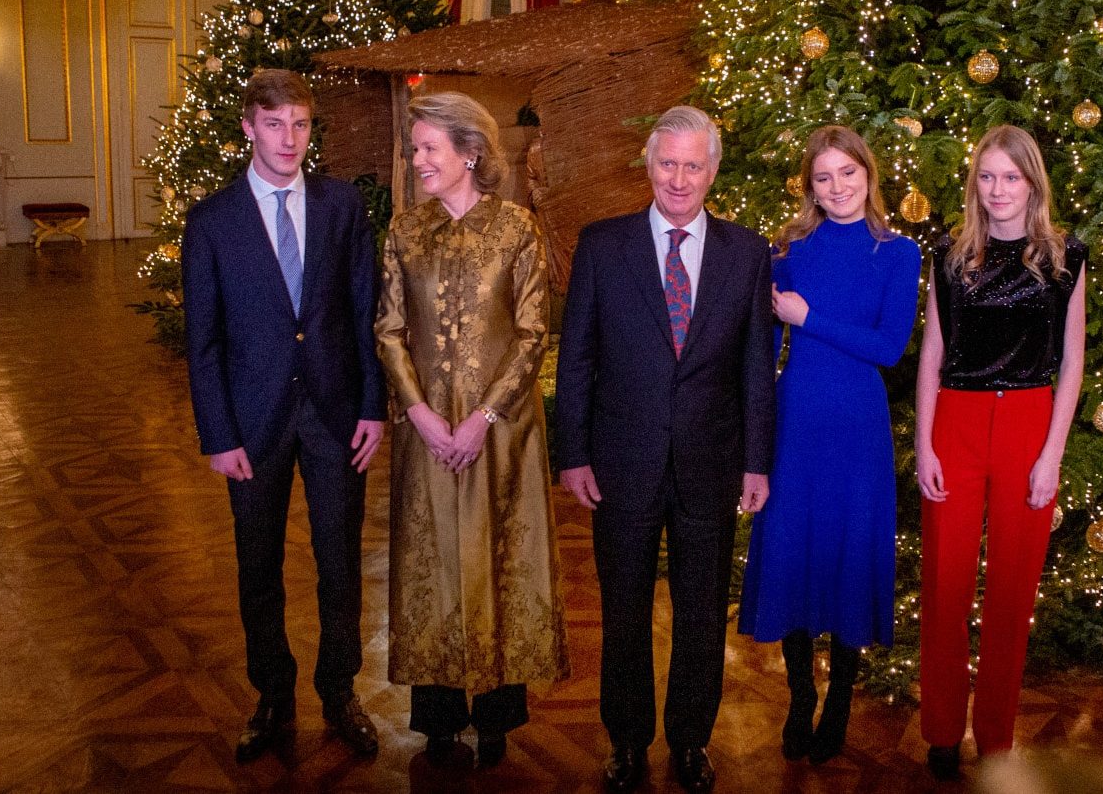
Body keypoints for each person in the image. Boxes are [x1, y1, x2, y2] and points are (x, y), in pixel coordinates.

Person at [555, 104, 775, 794]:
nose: (678, 179)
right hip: (620, 463)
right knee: (621, 610)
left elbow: (753, 369)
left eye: (693, 165)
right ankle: (626, 741)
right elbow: (577, 359)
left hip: (712, 464)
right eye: (666, 163)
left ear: (712, 171)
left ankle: (689, 740)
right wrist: (573, 452)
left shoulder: (748, 252)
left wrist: (757, 461)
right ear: (648, 166)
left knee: (702, 613)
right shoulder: (601, 245)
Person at [181, 69, 386, 762]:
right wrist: (217, 434)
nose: (289, 138)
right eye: (274, 124)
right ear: (247, 126)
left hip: (335, 416)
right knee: (257, 565)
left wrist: (372, 407)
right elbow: (202, 339)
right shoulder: (211, 221)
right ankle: (272, 694)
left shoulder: (341, 206)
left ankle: (340, 690)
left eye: (299, 123)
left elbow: (365, 311)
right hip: (252, 424)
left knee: (339, 562)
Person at [373, 90, 569, 770]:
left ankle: (495, 716)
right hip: (424, 436)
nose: (417, 158)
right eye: (415, 147)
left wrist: (485, 416)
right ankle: (437, 719)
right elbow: (390, 332)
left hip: (504, 435)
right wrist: (422, 415)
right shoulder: (403, 232)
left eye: (428, 147)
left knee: (499, 562)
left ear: (470, 152)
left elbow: (532, 332)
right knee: (434, 563)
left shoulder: (518, 230)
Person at [737, 125, 920, 764]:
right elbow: (759, 344)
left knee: (845, 549)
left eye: (848, 173)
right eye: (823, 177)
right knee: (794, 548)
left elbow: (889, 347)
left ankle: (839, 696)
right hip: (797, 420)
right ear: (809, 186)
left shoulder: (898, 253)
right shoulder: (788, 249)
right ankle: (797, 697)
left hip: (858, 423)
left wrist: (808, 317)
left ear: (869, 176)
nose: (837, 187)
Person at [914, 124, 1087, 779]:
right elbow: (932, 353)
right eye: (987, 176)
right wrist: (925, 443)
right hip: (955, 423)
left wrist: (1052, 454)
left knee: (1011, 593)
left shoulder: (1065, 257)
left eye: (1010, 177)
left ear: (1032, 183)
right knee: (946, 586)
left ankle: (995, 737)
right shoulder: (953, 256)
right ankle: (939, 730)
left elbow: (1072, 361)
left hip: (1028, 424)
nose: (997, 189)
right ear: (974, 184)